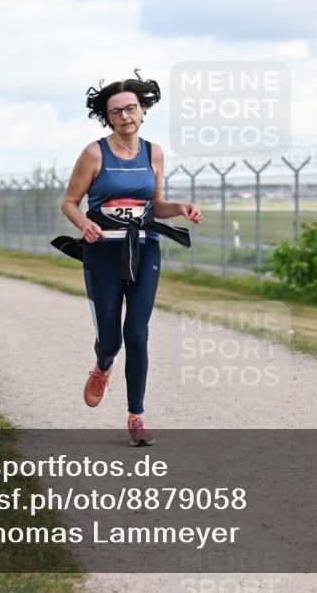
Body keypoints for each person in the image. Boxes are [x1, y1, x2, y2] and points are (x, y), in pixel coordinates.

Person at [53, 70, 201, 446]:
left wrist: (179, 208)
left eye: (131, 108)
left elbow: (156, 205)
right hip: (103, 252)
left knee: (136, 332)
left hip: (144, 248)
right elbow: (69, 203)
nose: (125, 116)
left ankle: (136, 417)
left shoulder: (154, 153)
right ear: (108, 117)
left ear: (143, 110)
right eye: (116, 111)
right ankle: (103, 365)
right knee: (111, 340)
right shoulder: (94, 153)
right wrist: (85, 223)